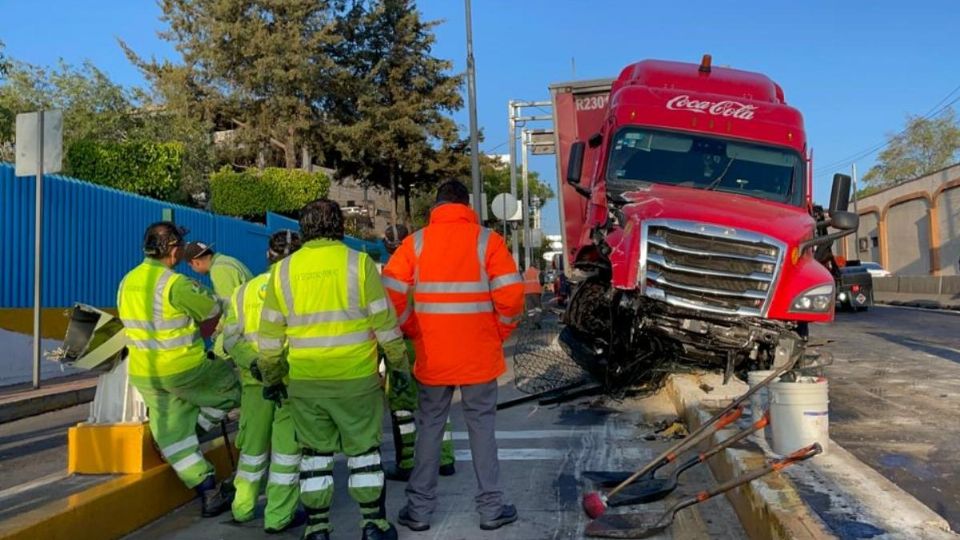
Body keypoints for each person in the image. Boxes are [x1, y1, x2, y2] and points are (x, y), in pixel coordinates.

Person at [257, 199, 411, 540]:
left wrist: (272, 378)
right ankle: (373, 525)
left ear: (304, 229)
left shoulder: (281, 272)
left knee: (314, 456)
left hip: (306, 383)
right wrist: (399, 367)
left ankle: (317, 529)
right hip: (356, 381)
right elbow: (385, 326)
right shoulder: (359, 264)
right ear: (339, 226)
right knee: (364, 454)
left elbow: (268, 341)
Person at [382, 180, 525, 532]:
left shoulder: (415, 243)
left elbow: (391, 291)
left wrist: (411, 328)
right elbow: (512, 294)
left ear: (436, 204)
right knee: (482, 428)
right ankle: (491, 508)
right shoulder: (487, 241)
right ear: (466, 205)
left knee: (429, 427)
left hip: (433, 353)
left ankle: (418, 510)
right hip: (478, 353)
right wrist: (499, 331)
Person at [118, 221, 241, 517]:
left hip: (145, 373)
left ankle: (208, 490)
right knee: (234, 390)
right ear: (172, 250)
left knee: (171, 435)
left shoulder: (127, 281)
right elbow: (212, 310)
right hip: (185, 367)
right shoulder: (175, 284)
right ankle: (197, 427)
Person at [222, 230, 304, 533]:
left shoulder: (243, 292)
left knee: (253, 450)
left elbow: (230, 340)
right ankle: (279, 515)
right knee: (286, 451)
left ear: (268, 256)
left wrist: (254, 363)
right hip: (291, 383)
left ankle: (242, 508)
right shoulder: (303, 289)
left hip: (254, 384)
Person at [381, 224, 455, 481]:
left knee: (403, 409)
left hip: (402, 348)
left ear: (387, 246)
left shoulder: (391, 274)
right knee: (436, 405)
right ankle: (445, 459)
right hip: (434, 345)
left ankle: (408, 462)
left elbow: (384, 316)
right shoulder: (430, 268)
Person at [183, 242, 254, 300]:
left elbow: (229, 306)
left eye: (190, 266)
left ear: (196, 263)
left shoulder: (218, 270)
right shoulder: (224, 261)